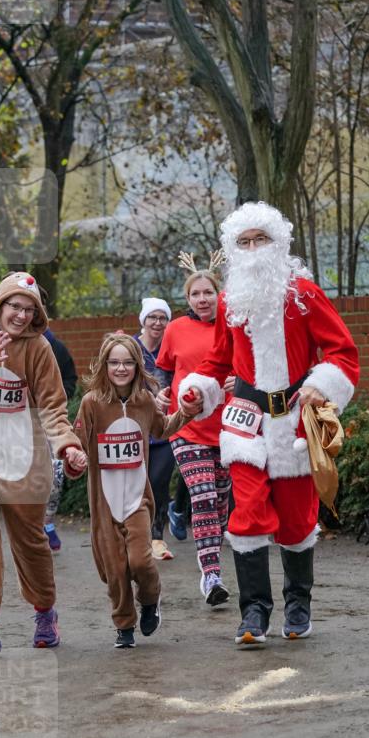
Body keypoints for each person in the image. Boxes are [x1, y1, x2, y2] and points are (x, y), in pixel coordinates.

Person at [180, 202, 360, 646]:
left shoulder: (304, 295)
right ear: (233, 249)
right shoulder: (229, 301)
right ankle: (254, 612)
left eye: (261, 239)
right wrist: (197, 390)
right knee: (247, 514)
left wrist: (321, 386)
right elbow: (218, 358)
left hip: (294, 424)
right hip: (244, 422)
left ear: (277, 244)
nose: (253, 248)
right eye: (244, 242)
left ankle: (298, 605)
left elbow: (343, 352)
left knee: (297, 522)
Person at [0, 272, 87, 652]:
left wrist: (67, 447)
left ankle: (45, 612)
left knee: (31, 543)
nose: (22, 316)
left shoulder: (39, 348)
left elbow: (53, 407)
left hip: (26, 460)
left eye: (29, 310)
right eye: (15, 307)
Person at [72, 332, 200, 648]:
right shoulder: (92, 403)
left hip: (137, 500)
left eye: (128, 362)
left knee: (141, 562)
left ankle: (150, 600)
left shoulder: (144, 401)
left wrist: (186, 412)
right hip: (104, 503)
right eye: (114, 362)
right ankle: (124, 626)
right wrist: (74, 457)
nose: (121, 368)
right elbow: (77, 443)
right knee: (115, 571)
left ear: (137, 366)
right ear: (104, 365)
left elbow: (162, 429)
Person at [155, 259, 234, 608]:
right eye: (195, 294)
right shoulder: (175, 329)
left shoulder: (234, 327)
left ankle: (212, 561)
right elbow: (163, 370)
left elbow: (251, 369)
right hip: (186, 426)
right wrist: (160, 393)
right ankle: (211, 575)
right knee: (202, 496)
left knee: (219, 503)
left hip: (229, 427)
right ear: (187, 299)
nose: (202, 299)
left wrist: (240, 380)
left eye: (208, 292)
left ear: (219, 295)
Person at [133, 297, 177, 561]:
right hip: (135, 428)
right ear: (144, 319)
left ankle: (157, 536)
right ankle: (136, 535)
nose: (158, 323)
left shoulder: (172, 348)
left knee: (159, 481)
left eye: (163, 318)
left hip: (165, 428)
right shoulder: (131, 348)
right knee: (139, 484)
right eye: (153, 317)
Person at [42, 327, 78, 552]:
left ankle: (47, 522)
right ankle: (31, 525)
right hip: (20, 424)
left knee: (55, 476)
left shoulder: (56, 347)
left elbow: (70, 379)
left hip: (51, 420)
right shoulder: (11, 344)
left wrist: (55, 395)